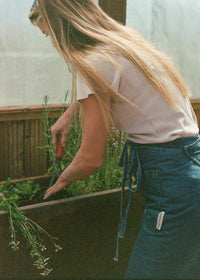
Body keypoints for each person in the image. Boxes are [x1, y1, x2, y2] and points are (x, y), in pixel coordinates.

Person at [29, 0, 200, 279]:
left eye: (49, 35)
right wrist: (70, 114)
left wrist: (59, 183)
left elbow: (90, 159)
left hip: (173, 184)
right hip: (188, 168)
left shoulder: (91, 61)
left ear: (62, 28)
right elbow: (111, 83)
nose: (53, 45)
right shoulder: (124, 42)